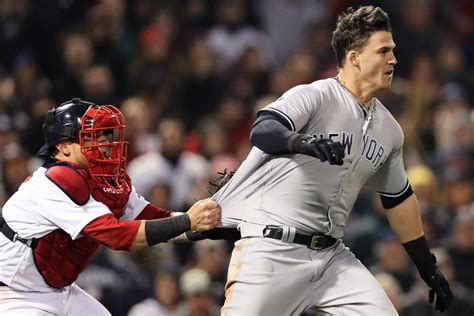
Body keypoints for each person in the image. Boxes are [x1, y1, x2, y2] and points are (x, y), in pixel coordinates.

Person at [211, 6, 453, 315]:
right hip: (273, 249)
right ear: (354, 57)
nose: (393, 60)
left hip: (331, 258)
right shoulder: (315, 96)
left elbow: (398, 199)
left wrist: (427, 267)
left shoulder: (390, 129)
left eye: (392, 51)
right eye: (383, 51)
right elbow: (263, 129)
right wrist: (300, 141)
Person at [0, 98, 220, 316]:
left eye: (104, 135)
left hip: (58, 290)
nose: (103, 143)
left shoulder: (102, 179)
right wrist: (189, 220)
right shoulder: (52, 181)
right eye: (90, 137)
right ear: (63, 147)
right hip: (15, 293)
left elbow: (154, 218)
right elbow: (117, 237)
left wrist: (210, 226)